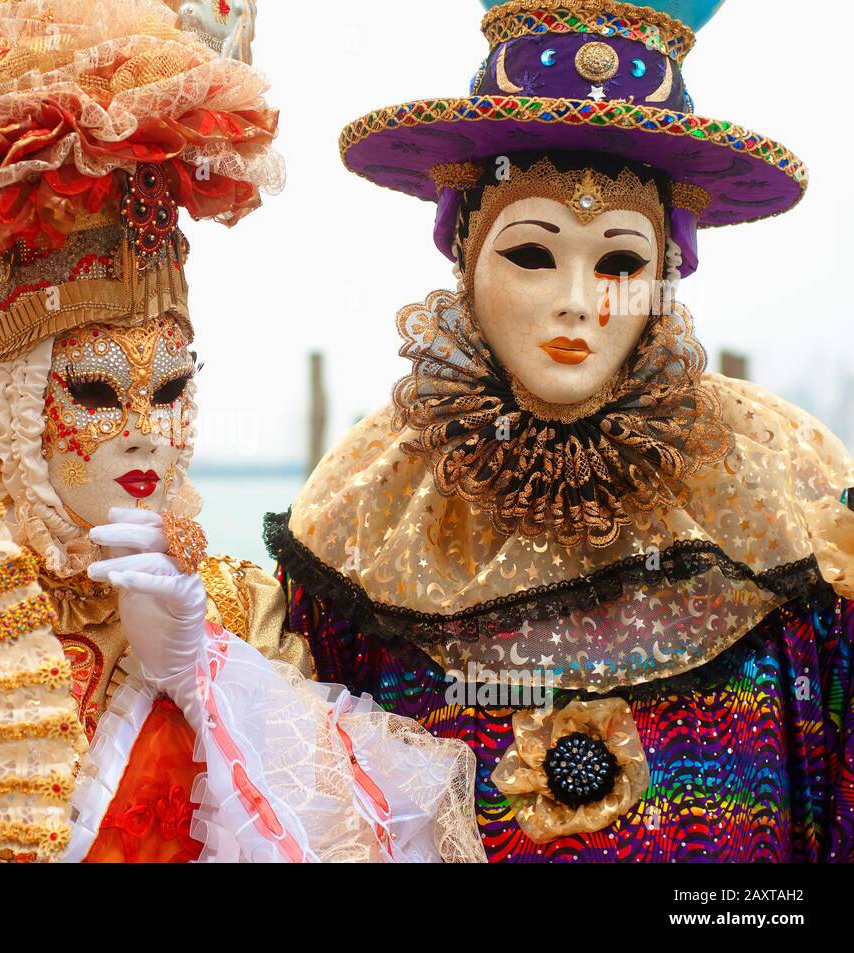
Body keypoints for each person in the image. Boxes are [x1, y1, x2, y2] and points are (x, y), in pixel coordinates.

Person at [0, 0, 486, 862]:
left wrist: (206, 676)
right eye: (97, 391)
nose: (147, 433)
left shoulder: (233, 612)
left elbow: (363, 837)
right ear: (12, 405)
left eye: (173, 387)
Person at [264, 0, 854, 861]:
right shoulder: (369, 496)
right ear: (465, 253)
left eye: (619, 259)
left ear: (665, 273)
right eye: (533, 253)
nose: (579, 300)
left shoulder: (782, 477)